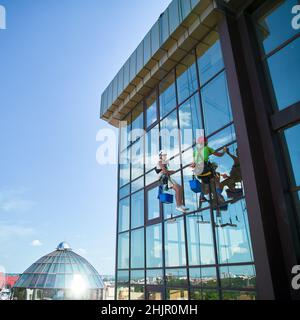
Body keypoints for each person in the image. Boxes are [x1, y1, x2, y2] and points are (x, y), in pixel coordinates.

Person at [190, 136, 225, 206]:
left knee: (203, 182)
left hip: (199, 172)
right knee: (214, 182)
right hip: (205, 170)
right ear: (205, 142)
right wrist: (224, 151)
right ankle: (218, 196)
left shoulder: (195, 151)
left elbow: (193, 163)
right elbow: (219, 155)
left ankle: (202, 198)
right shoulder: (207, 148)